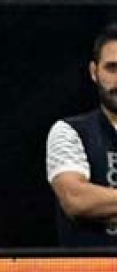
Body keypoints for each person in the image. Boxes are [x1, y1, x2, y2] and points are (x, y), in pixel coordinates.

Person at [46, 22, 117, 246]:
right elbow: (76, 199)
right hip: (93, 267)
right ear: (94, 72)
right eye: (112, 68)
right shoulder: (70, 131)